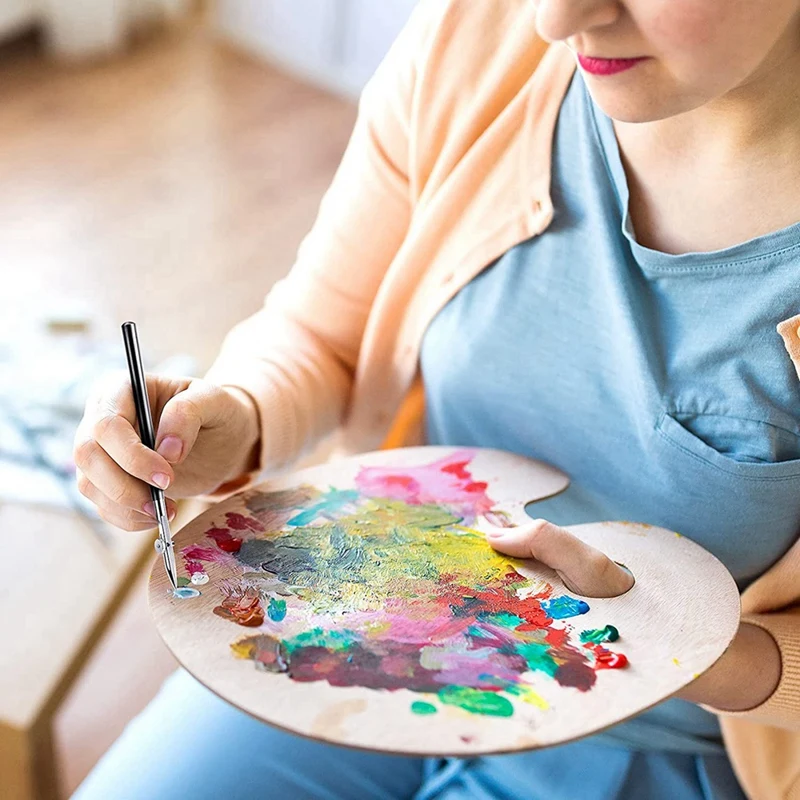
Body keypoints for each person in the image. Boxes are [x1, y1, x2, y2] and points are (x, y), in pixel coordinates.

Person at [72, 1, 800, 797]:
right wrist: (236, 415)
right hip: (356, 626)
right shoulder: (479, 37)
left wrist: (677, 645)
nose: (555, 20)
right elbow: (325, 327)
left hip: (650, 742)